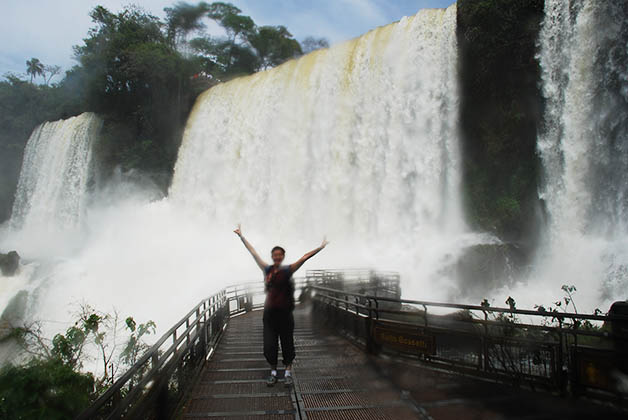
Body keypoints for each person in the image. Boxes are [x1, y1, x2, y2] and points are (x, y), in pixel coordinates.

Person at [234, 224, 329, 387]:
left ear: (283, 256)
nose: (277, 257)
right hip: (269, 315)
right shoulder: (267, 269)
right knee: (269, 345)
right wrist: (241, 237)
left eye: (279, 255)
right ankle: (273, 372)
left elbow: (305, 257)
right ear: (272, 256)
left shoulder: (288, 270)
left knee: (287, 344)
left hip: (285, 315)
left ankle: (287, 372)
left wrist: (320, 247)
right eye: (275, 255)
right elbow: (253, 253)